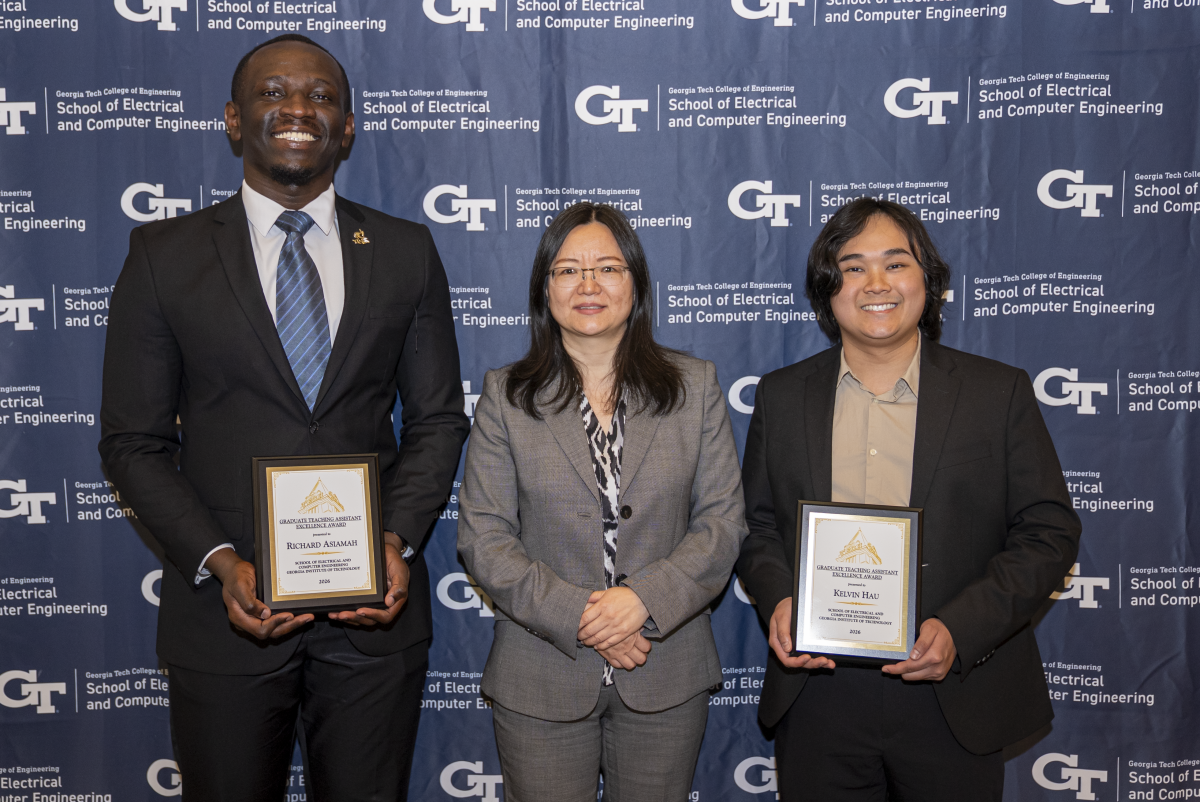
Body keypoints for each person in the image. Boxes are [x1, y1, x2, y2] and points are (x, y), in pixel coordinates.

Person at [98, 34, 469, 802]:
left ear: (349, 126)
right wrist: (223, 562)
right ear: (235, 120)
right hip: (222, 617)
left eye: (321, 96)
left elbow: (436, 420)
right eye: (274, 94)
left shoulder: (406, 251)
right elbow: (133, 443)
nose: (299, 108)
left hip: (374, 618)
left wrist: (394, 542)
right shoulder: (162, 256)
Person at [736, 198, 1082, 800]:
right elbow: (756, 524)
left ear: (929, 281)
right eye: (852, 267)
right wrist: (780, 599)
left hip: (954, 689)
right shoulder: (782, 396)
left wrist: (960, 628)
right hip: (820, 693)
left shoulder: (996, 393)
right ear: (828, 289)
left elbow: (1048, 530)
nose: (876, 284)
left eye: (896, 264)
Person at [457, 202, 747, 802]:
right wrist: (588, 616)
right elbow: (484, 538)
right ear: (545, 288)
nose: (588, 284)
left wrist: (642, 600)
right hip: (540, 673)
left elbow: (722, 522)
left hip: (667, 673)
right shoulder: (505, 396)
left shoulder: (694, 387)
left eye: (608, 268)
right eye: (568, 270)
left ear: (635, 284)